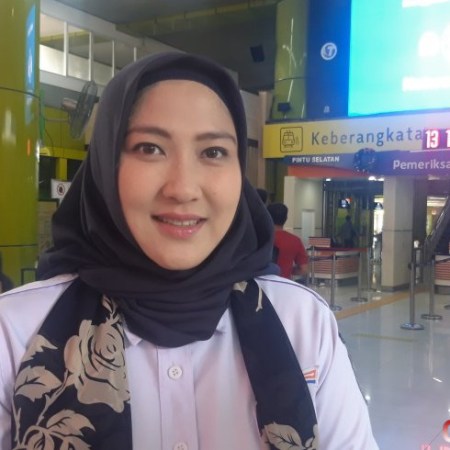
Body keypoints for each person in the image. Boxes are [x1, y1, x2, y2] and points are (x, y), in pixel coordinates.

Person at [0, 52, 378, 449]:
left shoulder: (301, 322)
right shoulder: (16, 332)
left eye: (213, 152)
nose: (182, 188)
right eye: (149, 148)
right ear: (105, 165)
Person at [267, 202, 309, 282]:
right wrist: (289, 270)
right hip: (284, 283)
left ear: (267, 217)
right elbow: (304, 269)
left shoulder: (261, 238)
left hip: (262, 284)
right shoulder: (295, 240)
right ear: (286, 218)